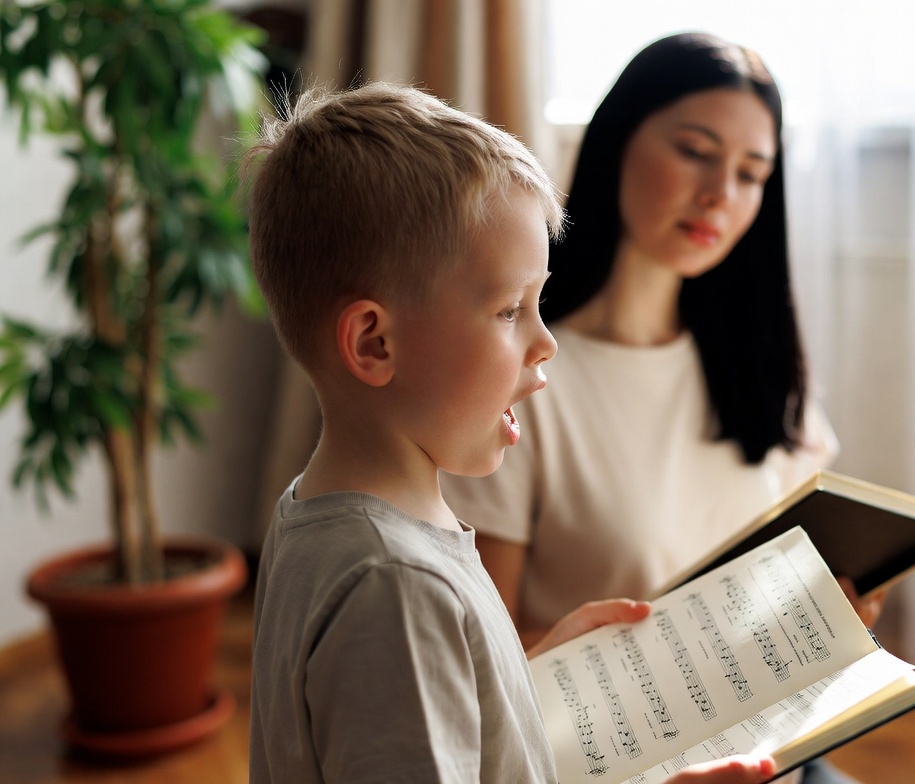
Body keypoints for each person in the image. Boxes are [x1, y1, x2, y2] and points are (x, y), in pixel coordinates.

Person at [242, 82, 779, 783]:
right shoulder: (395, 583)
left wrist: (522, 677)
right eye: (508, 311)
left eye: (540, 304)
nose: (545, 342)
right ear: (375, 343)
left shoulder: (320, 517)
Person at [441, 33, 885, 784]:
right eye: (695, 152)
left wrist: (829, 613)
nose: (721, 194)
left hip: (774, 751)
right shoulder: (528, 382)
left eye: (751, 174)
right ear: (617, 142)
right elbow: (488, 649)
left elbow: (792, 589)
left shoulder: (759, 371)